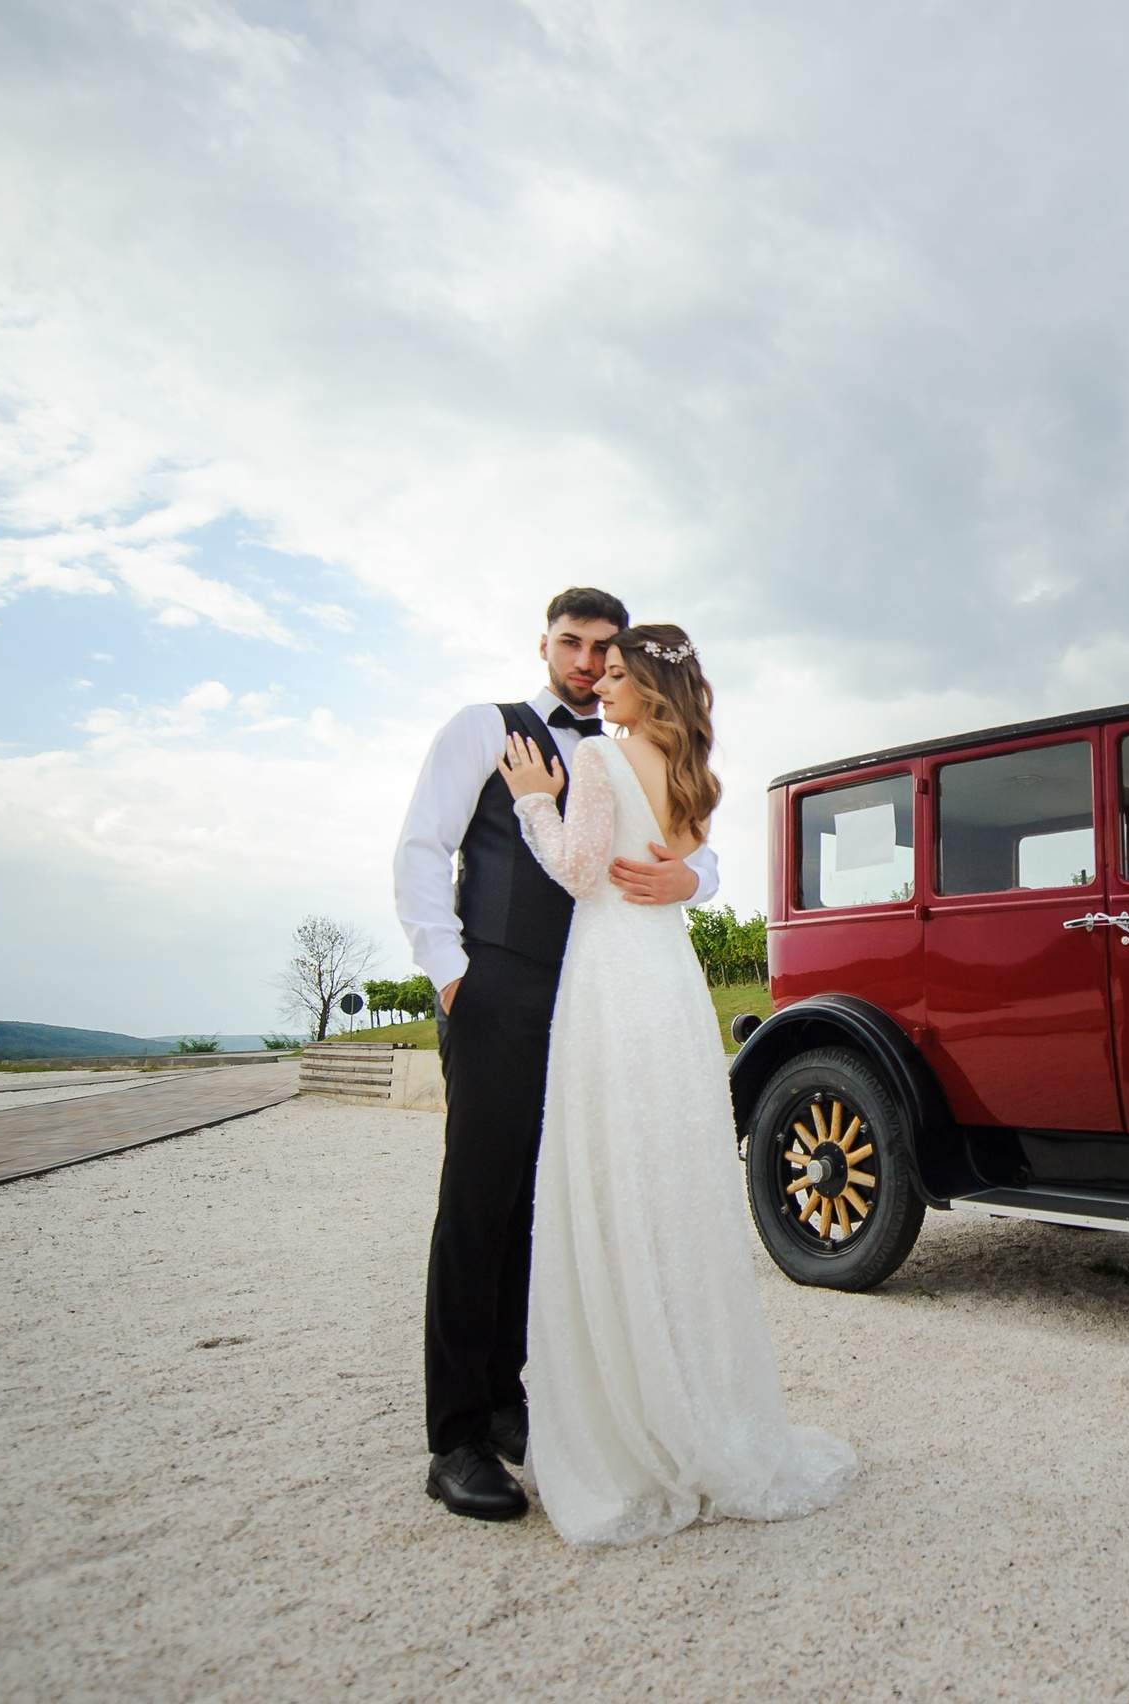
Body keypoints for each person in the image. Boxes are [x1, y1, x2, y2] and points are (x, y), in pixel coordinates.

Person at [497, 623, 855, 1544]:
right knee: (670, 1179)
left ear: (650, 688)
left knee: (612, 1170)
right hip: (668, 980)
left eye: (617, 674)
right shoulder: (694, 774)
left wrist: (535, 803)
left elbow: (580, 872)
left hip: (612, 980)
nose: (601, 686)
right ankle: (693, 1401)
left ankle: (634, 1421)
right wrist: (687, 880)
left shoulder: (595, 756)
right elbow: (686, 866)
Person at [393, 588, 722, 1520]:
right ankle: (456, 1436)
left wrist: (692, 879)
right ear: (545, 643)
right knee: (478, 1202)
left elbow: (698, 852)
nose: (586, 663)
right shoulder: (481, 727)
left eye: (603, 650)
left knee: (549, 1205)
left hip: (595, 1000)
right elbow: (421, 848)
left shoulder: (633, 748)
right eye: (572, 644)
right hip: (499, 987)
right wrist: (451, 974)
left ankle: (508, 1401)